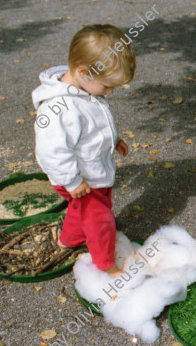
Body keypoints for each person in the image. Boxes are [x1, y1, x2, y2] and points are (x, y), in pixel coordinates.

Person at [32, 24, 136, 277]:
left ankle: (68, 240)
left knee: (83, 212)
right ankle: (106, 265)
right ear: (83, 71)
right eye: (107, 86)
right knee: (101, 221)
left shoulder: (84, 88)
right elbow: (50, 151)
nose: (109, 92)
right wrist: (72, 180)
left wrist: (114, 138)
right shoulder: (59, 108)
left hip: (91, 173)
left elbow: (93, 126)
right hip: (80, 178)